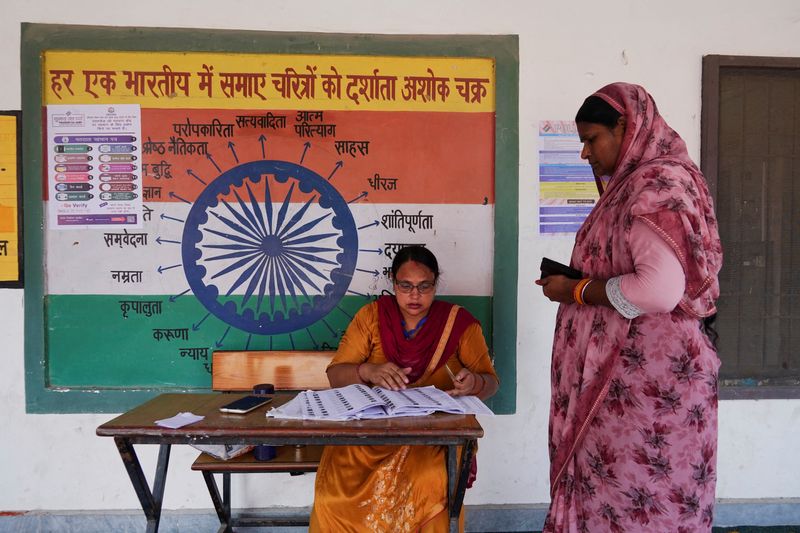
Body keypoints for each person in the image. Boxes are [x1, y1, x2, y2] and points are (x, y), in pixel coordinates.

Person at [536, 82, 723, 532]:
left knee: (640, 504)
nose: (585, 154)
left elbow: (657, 291)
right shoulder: (637, 185)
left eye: (591, 139)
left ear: (626, 126)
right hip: (625, 390)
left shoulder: (658, 185)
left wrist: (576, 291)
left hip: (642, 394)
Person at [309, 245, 499, 532]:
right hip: (369, 433)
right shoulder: (371, 317)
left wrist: (474, 383)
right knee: (333, 493)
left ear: (436, 283)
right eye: (405, 286)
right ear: (392, 282)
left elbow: (491, 382)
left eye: (424, 286)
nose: (414, 295)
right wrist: (367, 370)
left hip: (434, 439)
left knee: (429, 483)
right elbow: (335, 375)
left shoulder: (458, 323)